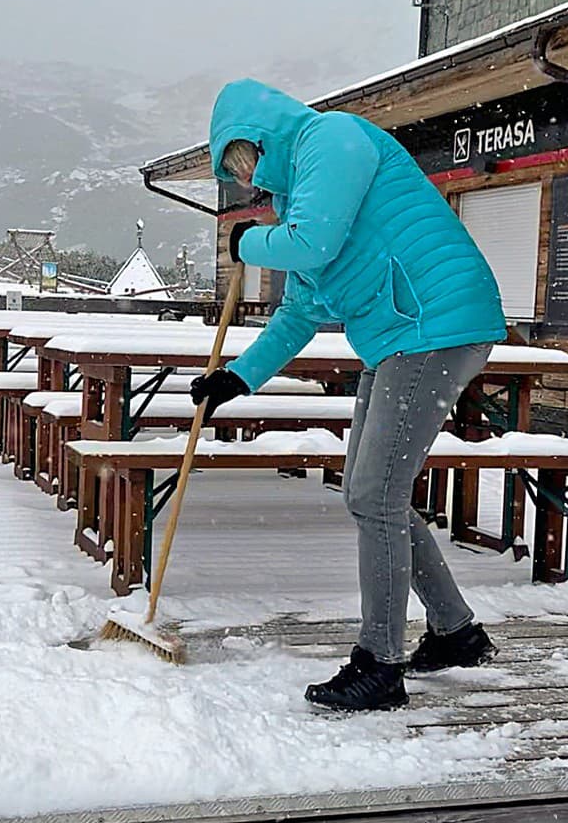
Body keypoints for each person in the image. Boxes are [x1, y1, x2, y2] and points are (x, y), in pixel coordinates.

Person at [190, 79, 507, 713]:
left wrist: (245, 243)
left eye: (242, 159)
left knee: (374, 494)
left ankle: (380, 665)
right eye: (234, 170)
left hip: (433, 326)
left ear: (260, 134)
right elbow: (299, 309)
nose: (245, 176)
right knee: (372, 494)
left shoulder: (331, 139)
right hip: (400, 337)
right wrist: (238, 377)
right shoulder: (297, 195)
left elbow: (312, 244)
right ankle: (456, 632)